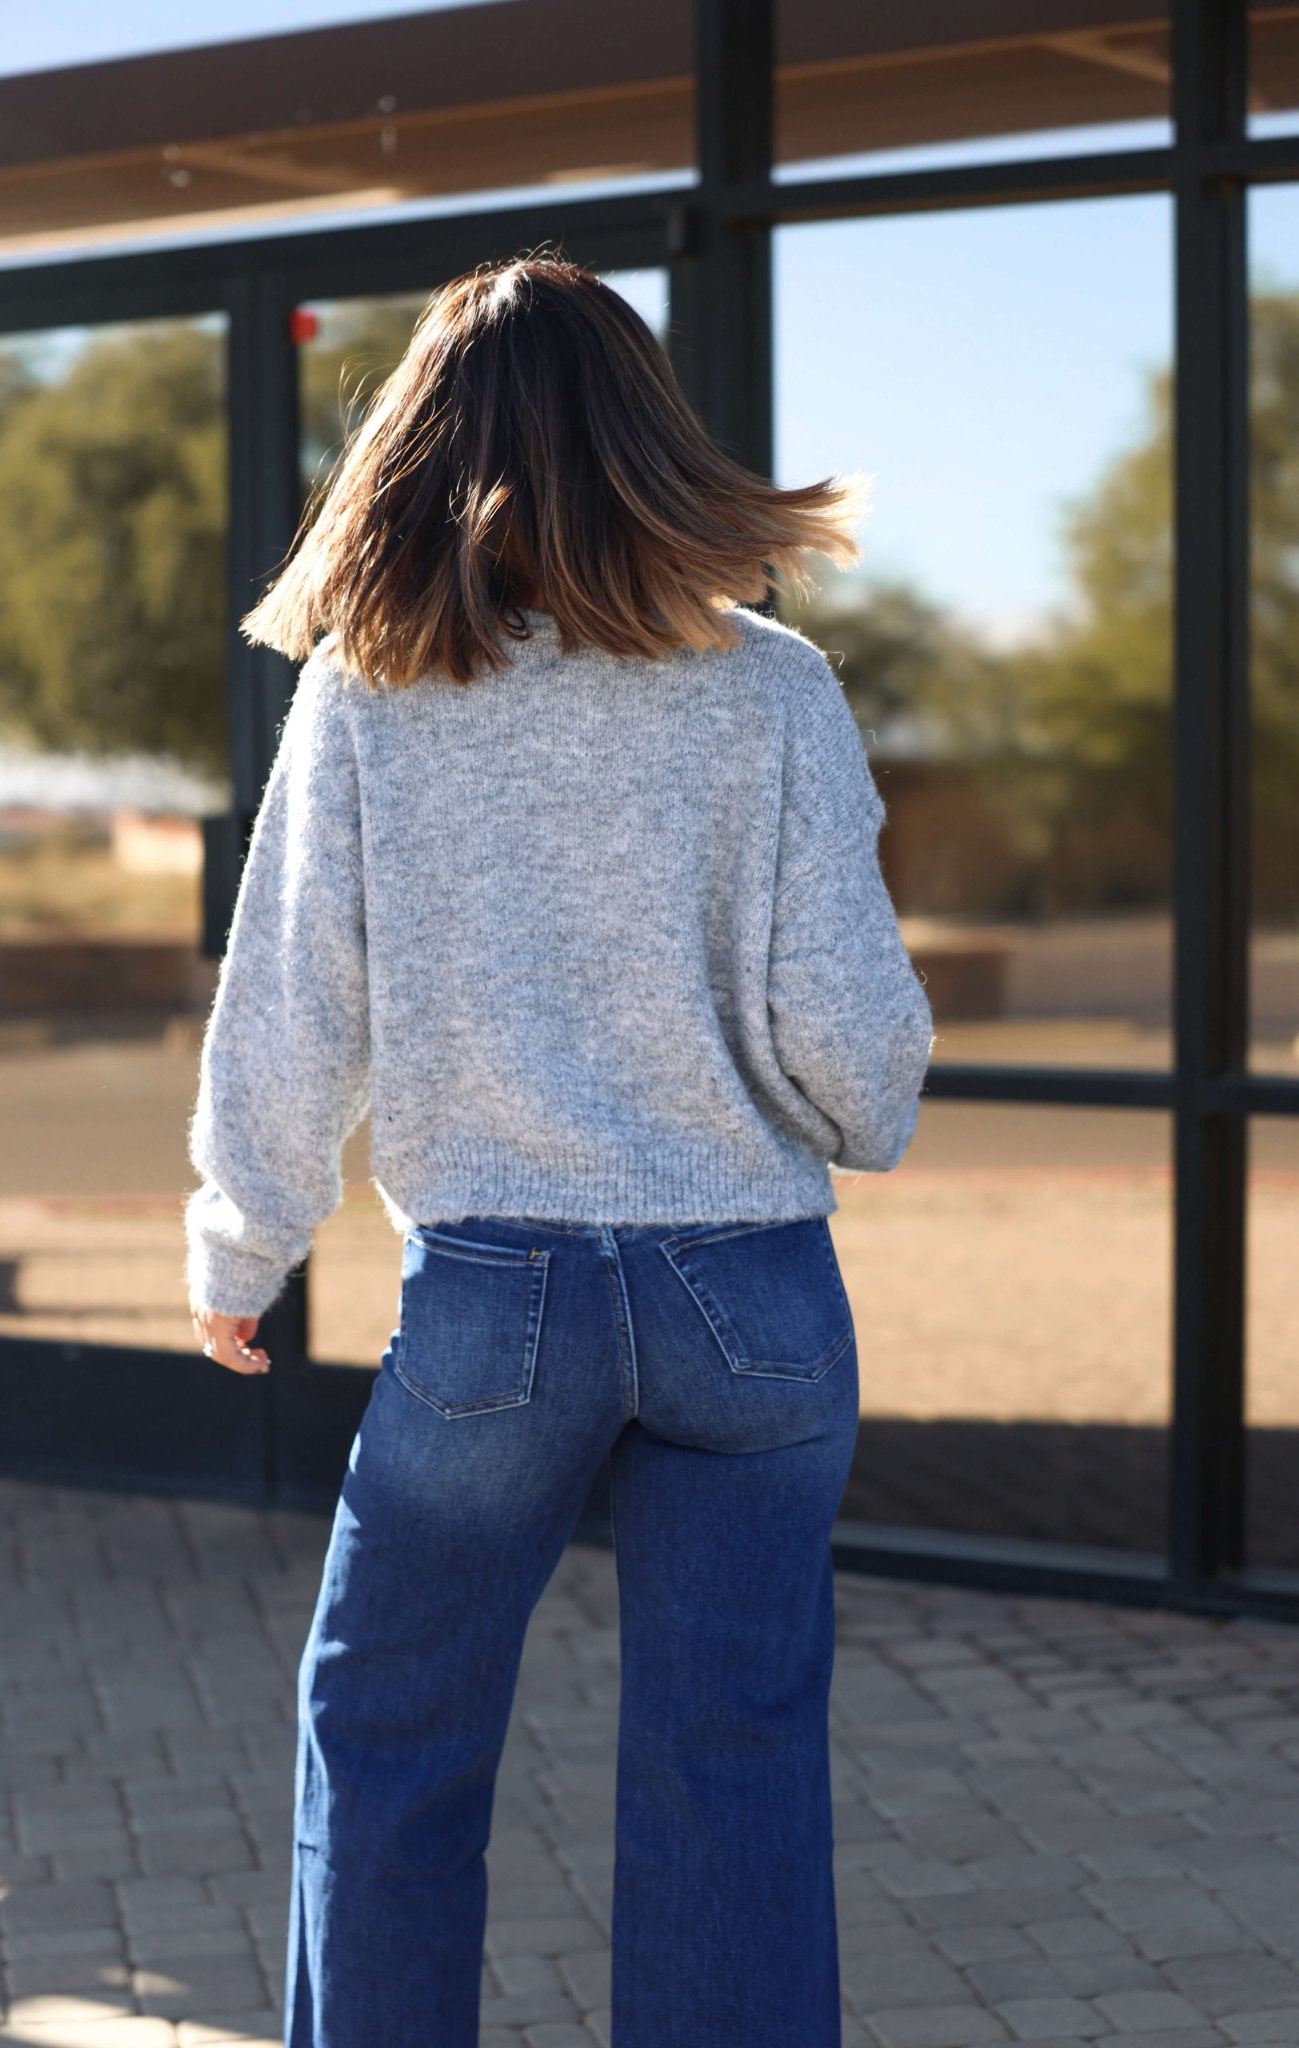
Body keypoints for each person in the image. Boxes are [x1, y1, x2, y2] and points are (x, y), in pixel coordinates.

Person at [185, 250, 933, 2048]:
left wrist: (242, 1245)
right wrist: (851, 1120)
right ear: (648, 442)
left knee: (385, 1737)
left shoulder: (369, 692)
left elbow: (292, 995)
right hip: (750, 1296)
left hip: (492, 1310)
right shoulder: (771, 689)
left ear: (422, 452)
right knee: (732, 1755)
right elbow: (853, 1035)